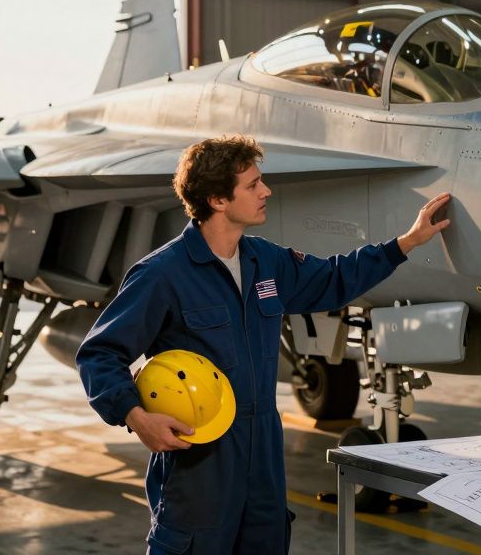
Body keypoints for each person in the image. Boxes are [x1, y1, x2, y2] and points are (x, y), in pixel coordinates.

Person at [76, 135, 450, 554]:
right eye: (253, 185)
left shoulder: (264, 261)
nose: (266, 191)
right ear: (218, 199)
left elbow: (334, 278)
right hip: (199, 466)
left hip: (264, 463)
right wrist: (137, 417)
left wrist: (406, 244)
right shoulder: (162, 274)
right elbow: (100, 354)